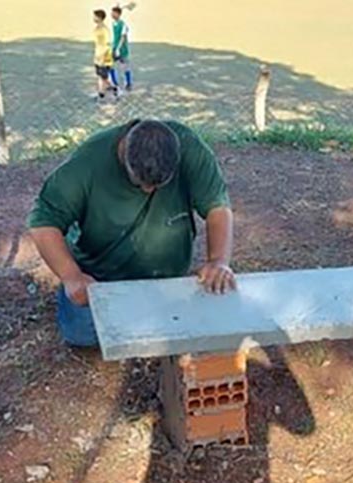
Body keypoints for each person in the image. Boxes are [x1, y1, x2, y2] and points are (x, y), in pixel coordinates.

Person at [27, 120, 236, 347]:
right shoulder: (86, 165)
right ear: (124, 153)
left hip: (167, 274)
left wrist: (219, 260)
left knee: (178, 327)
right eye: (140, 184)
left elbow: (218, 206)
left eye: (158, 185)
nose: (149, 191)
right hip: (99, 276)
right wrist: (71, 276)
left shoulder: (191, 148)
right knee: (85, 336)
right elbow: (44, 223)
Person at [92, 9, 117, 101]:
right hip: (98, 55)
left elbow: (107, 44)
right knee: (101, 76)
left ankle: (101, 94)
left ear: (99, 17)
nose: (93, 18)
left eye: (95, 16)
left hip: (104, 57)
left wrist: (103, 57)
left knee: (103, 76)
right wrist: (96, 56)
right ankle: (113, 88)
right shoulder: (96, 29)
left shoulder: (104, 30)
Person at [109, 6, 133, 91]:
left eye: (113, 13)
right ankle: (114, 83)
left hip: (122, 50)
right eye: (111, 12)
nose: (111, 14)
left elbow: (123, 37)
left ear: (118, 14)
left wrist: (118, 49)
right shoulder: (113, 23)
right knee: (110, 66)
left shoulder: (123, 25)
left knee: (125, 67)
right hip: (114, 48)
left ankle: (129, 83)